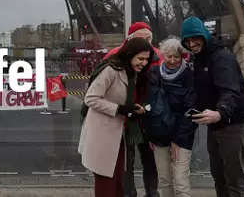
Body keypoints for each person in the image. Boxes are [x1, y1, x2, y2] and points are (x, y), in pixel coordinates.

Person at [180, 16, 244, 197]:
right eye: (187, 41)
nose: (192, 43)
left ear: (204, 35)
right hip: (215, 123)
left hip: (233, 123)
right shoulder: (199, 59)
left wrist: (220, 112)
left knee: (233, 180)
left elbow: (230, 90)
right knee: (219, 176)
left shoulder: (222, 57)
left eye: (195, 38)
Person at [79, 38, 155, 197]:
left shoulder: (131, 72)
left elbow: (121, 100)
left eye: (147, 59)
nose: (144, 62)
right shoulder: (110, 71)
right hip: (103, 134)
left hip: (119, 135)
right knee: (106, 184)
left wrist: (131, 108)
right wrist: (121, 109)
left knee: (118, 183)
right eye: (140, 58)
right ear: (129, 55)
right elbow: (91, 98)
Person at [105, 21, 160, 197]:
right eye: (142, 39)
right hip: (127, 114)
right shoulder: (115, 56)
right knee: (130, 161)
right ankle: (137, 193)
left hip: (143, 114)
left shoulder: (157, 56)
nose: (145, 43)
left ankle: (144, 193)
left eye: (148, 39)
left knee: (145, 159)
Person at [149, 37, 197, 197]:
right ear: (163, 55)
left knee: (180, 180)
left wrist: (178, 139)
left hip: (182, 135)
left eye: (176, 56)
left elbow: (191, 110)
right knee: (164, 180)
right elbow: (150, 106)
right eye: (169, 56)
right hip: (159, 133)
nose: (172, 60)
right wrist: (151, 133)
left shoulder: (189, 76)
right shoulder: (154, 74)